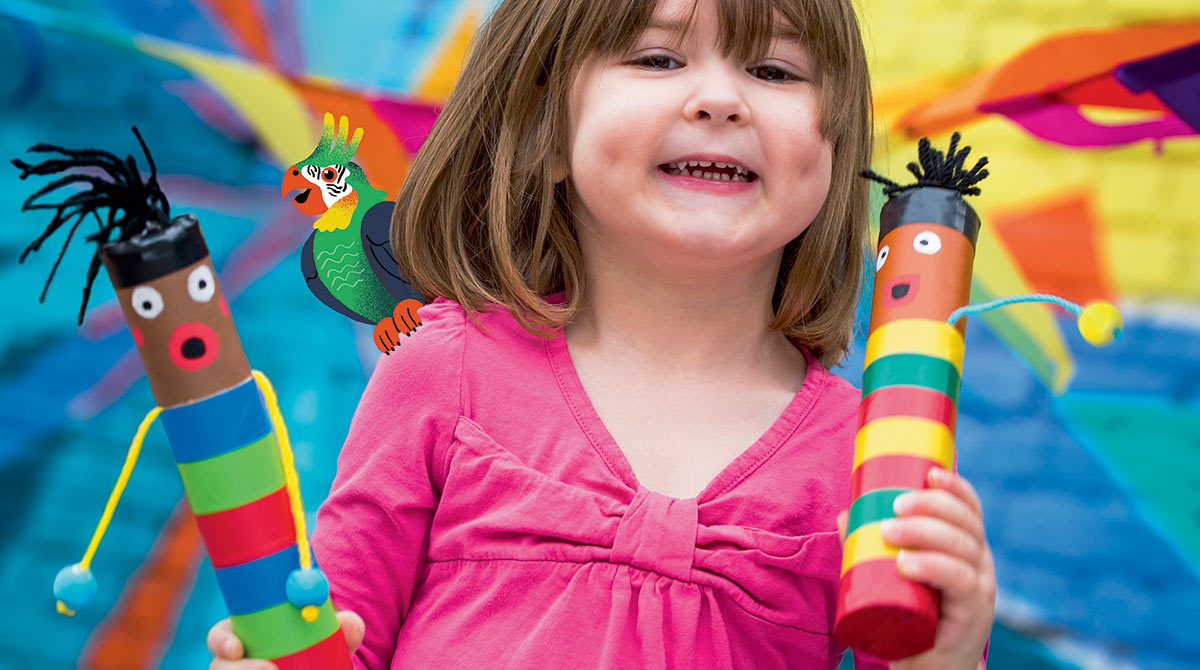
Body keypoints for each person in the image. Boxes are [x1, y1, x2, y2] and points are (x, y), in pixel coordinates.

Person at [209, 0, 996, 667]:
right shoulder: (443, 371)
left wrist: (946, 656)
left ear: (832, 156)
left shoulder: (869, 453)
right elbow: (341, 637)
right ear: (544, 134)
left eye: (775, 71)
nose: (720, 99)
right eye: (657, 59)